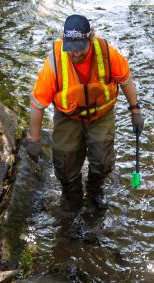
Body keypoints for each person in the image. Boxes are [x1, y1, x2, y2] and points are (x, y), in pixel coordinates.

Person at [26, 14, 144, 213]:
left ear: (91, 38)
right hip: (68, 116)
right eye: (71, 48)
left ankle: (95, 191)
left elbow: (125, 80)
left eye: (80, 48)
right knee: (64, 162)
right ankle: (72, 199)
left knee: (103, 160)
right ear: (64, 40)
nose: (75, 54)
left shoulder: (107, 54)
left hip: (101, 115)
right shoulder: (54, 63)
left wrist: (135, 110)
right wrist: (35, 140)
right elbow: (38, 105)